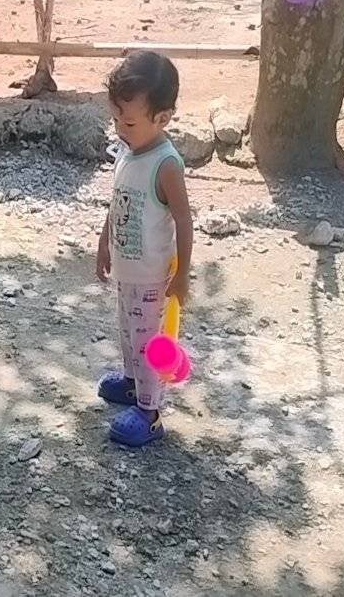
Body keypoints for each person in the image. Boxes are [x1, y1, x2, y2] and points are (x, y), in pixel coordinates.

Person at [95, 51, 193, 447]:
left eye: (129, 121)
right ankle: (134, 384)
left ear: (162, 118)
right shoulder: (128, 150)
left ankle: (150, 414)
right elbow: (118, 201)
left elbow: (184, 221)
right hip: (127, 271)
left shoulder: (165, 164)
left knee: (149, 343)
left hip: (153, 278)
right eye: (116, 118)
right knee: (128, 333)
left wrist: (182, 273)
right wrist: (104, 242)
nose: (120, 128)